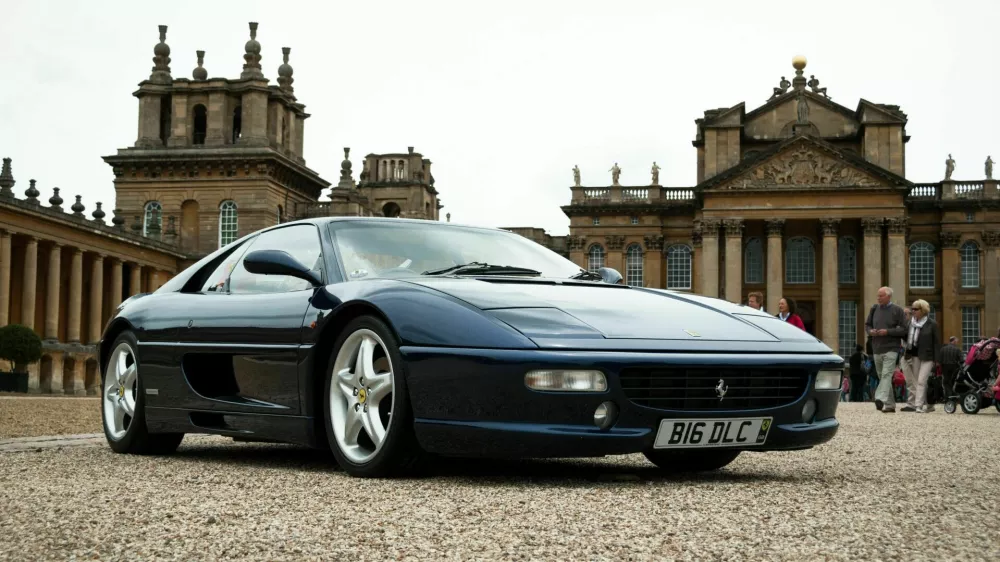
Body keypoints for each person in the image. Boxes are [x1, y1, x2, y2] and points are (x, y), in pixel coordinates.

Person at [864, 286, 908, 413]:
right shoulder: (874, 309)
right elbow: (867, 325)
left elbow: (904, 329)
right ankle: (890, 405)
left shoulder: (897, 310)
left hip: (891, 348)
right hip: (877, 348)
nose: (878, 298)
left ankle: (880, 398)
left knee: (887, 374)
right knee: (882, 376)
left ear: (888, 296)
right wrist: (870, 331)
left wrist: (887, 332)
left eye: (881, 296)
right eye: (878, 296)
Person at [899, 299, 940, 413]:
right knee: (919, 382)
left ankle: (918, 406)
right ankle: (930, 404)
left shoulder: (932, 324)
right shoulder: (910, 323)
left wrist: (937, 360)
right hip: (915, 355)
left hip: (928, 356)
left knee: (922, 381)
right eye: (912, 309)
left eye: (915, 309)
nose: (913, 311)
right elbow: (904, 336)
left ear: (923, 310)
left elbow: (936, 343)